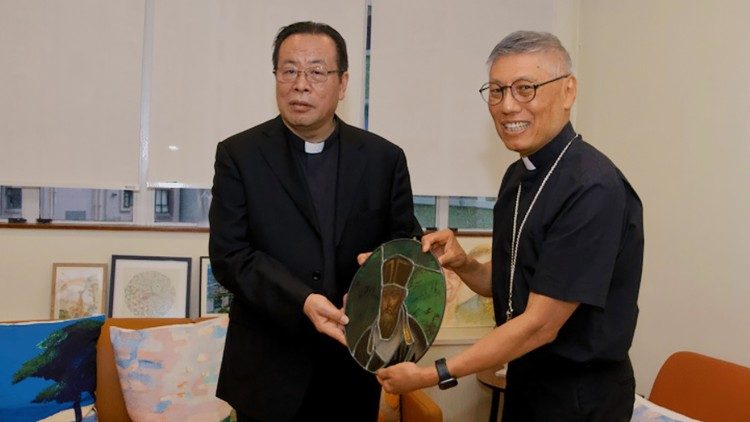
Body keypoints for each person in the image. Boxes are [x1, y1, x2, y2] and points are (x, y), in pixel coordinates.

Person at [376, 30, 644, 421]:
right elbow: (508, 286)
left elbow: (540, 325)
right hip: (525, 381)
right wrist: (463, 263)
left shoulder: (591, 188)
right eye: (497, 91)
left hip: (580, 398)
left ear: (568, 92)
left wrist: (430, 373)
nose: (507, 106)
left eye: (525, 88)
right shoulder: (515, 178)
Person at [208, 21, 421, 422]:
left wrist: (380, 274)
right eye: (288, 71)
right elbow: (229, 256)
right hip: (268, 367)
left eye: (316, 72)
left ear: (342, 84)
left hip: (351, 364)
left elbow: (401, 246)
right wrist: (301, 300)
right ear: (275, 77)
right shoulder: (240, 155)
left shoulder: (383, 159)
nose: (300, 85)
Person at [352, 255, 428, 371]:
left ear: (402, 297)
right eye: (385, 295)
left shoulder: (414, 335)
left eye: (394, 295)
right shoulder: (367, 338)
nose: (388, 303)